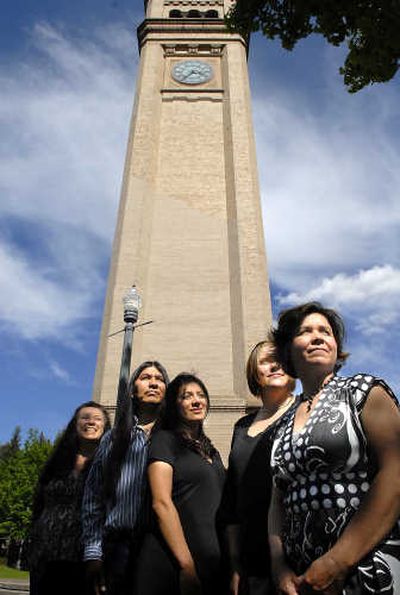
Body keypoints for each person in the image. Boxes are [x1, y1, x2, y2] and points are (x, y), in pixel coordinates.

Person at [269, 301, 400, 594]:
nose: (318, 337)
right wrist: (279, 567)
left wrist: (338, 562)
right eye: (305, 331)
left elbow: (396, 472)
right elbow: (276, 502)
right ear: (288, 349)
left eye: (325, 332)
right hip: (301, 582)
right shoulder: (282, 424)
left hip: (365, 572)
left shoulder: (365, 392)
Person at [133, 373, 225, 595]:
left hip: (210, 568)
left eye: (201, 395)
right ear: (175, 404)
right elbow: (161, 503)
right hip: (171, 568)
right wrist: (186, 566)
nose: (196, 401)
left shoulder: (213, 452)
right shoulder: (164, 441)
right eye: (187, 396)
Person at [82, 361, 169, 595]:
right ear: (132, 390)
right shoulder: (112, 439)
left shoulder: (175, 438)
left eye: (159, 379)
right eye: (145, 377)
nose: (153, 383)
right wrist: (93, 552)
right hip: (118, 549)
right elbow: (93, 498)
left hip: (163, 549)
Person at [221, 340, 296, 595]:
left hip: (299, 558)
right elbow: (231, 501)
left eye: (280, 359)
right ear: (255, 372)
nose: (275, 365)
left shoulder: (306, 411)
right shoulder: (241, 427)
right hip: (252, 565)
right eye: (265, 361)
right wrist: (234, 564)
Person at [29, 401, 110, 595]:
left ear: (106, 427)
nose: (91, 422)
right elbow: (40, 504)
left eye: (97, 419)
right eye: (85, 418)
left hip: (85, 558)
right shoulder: (57, 462)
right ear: (75, 424)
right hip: (45, 555)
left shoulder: (110, 465)